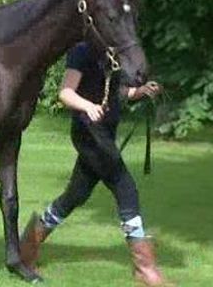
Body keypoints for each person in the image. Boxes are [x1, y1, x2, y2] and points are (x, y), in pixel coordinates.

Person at [20, 41, 169, 286]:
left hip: (105, 133)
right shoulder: (82, 51)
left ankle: (27, 247)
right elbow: (66, 92)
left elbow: (115, 93)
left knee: (75, 195)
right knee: (125, 188)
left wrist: (140, 92)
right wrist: (88, 106)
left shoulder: (114, 55)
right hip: (88, 133)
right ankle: (145, 269)